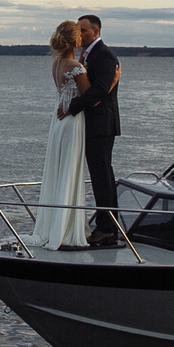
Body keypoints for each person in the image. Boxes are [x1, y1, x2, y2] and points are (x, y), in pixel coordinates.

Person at [64, 14, 121, 242]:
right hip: (92, 124)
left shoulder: (103, 54)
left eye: (84, 30)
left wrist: (72, 106)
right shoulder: (86, 55)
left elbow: (100, 90)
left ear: (96, 32)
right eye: (78, 30)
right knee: (100, 176)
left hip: (102, 125)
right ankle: (106, 224)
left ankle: (107, 228)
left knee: (102, 177)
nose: (80, 34)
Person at [35, 20, 89, 249]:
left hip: (58, 119)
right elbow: (89, 95)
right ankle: (67, 227)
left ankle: (55, 223)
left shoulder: (57, 63)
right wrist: (114, 80)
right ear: (76, 40)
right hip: (72, 120)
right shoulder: (76, 66)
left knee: (59, 168)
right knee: (70, 168)